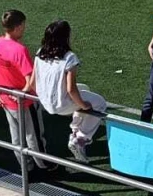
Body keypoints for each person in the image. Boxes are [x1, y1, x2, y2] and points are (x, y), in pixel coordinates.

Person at [29, 19, 108, 162]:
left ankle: (76, 129)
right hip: (61, 103)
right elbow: (71, 89)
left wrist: (45, 96)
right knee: (100, 103)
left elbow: (32, 83)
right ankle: (81, 138)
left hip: (46, 101)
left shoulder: (40, 52)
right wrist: (84, 105)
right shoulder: (69, 57)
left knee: (84, 89)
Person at [0, 9, 48, 173]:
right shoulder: (19, 50)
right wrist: (20, 96)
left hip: (6, 101)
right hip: (24, 103)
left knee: (16, 137)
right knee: (33, 135)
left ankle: (25, 167)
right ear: (18, 26)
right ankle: (44, 165)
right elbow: (30, 81)